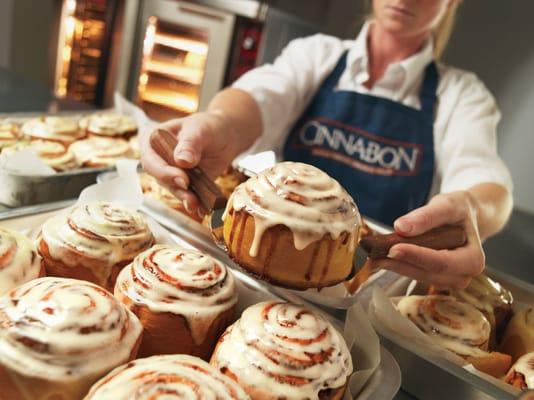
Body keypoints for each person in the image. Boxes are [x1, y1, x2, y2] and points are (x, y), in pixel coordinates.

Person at [140, 0, 513, 289]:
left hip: (368, 286)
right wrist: (218, 124)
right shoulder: (316, 55)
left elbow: (490, 188)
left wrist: (472, 207)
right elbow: (255, 101)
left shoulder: (461, 95)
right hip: (264, 266)